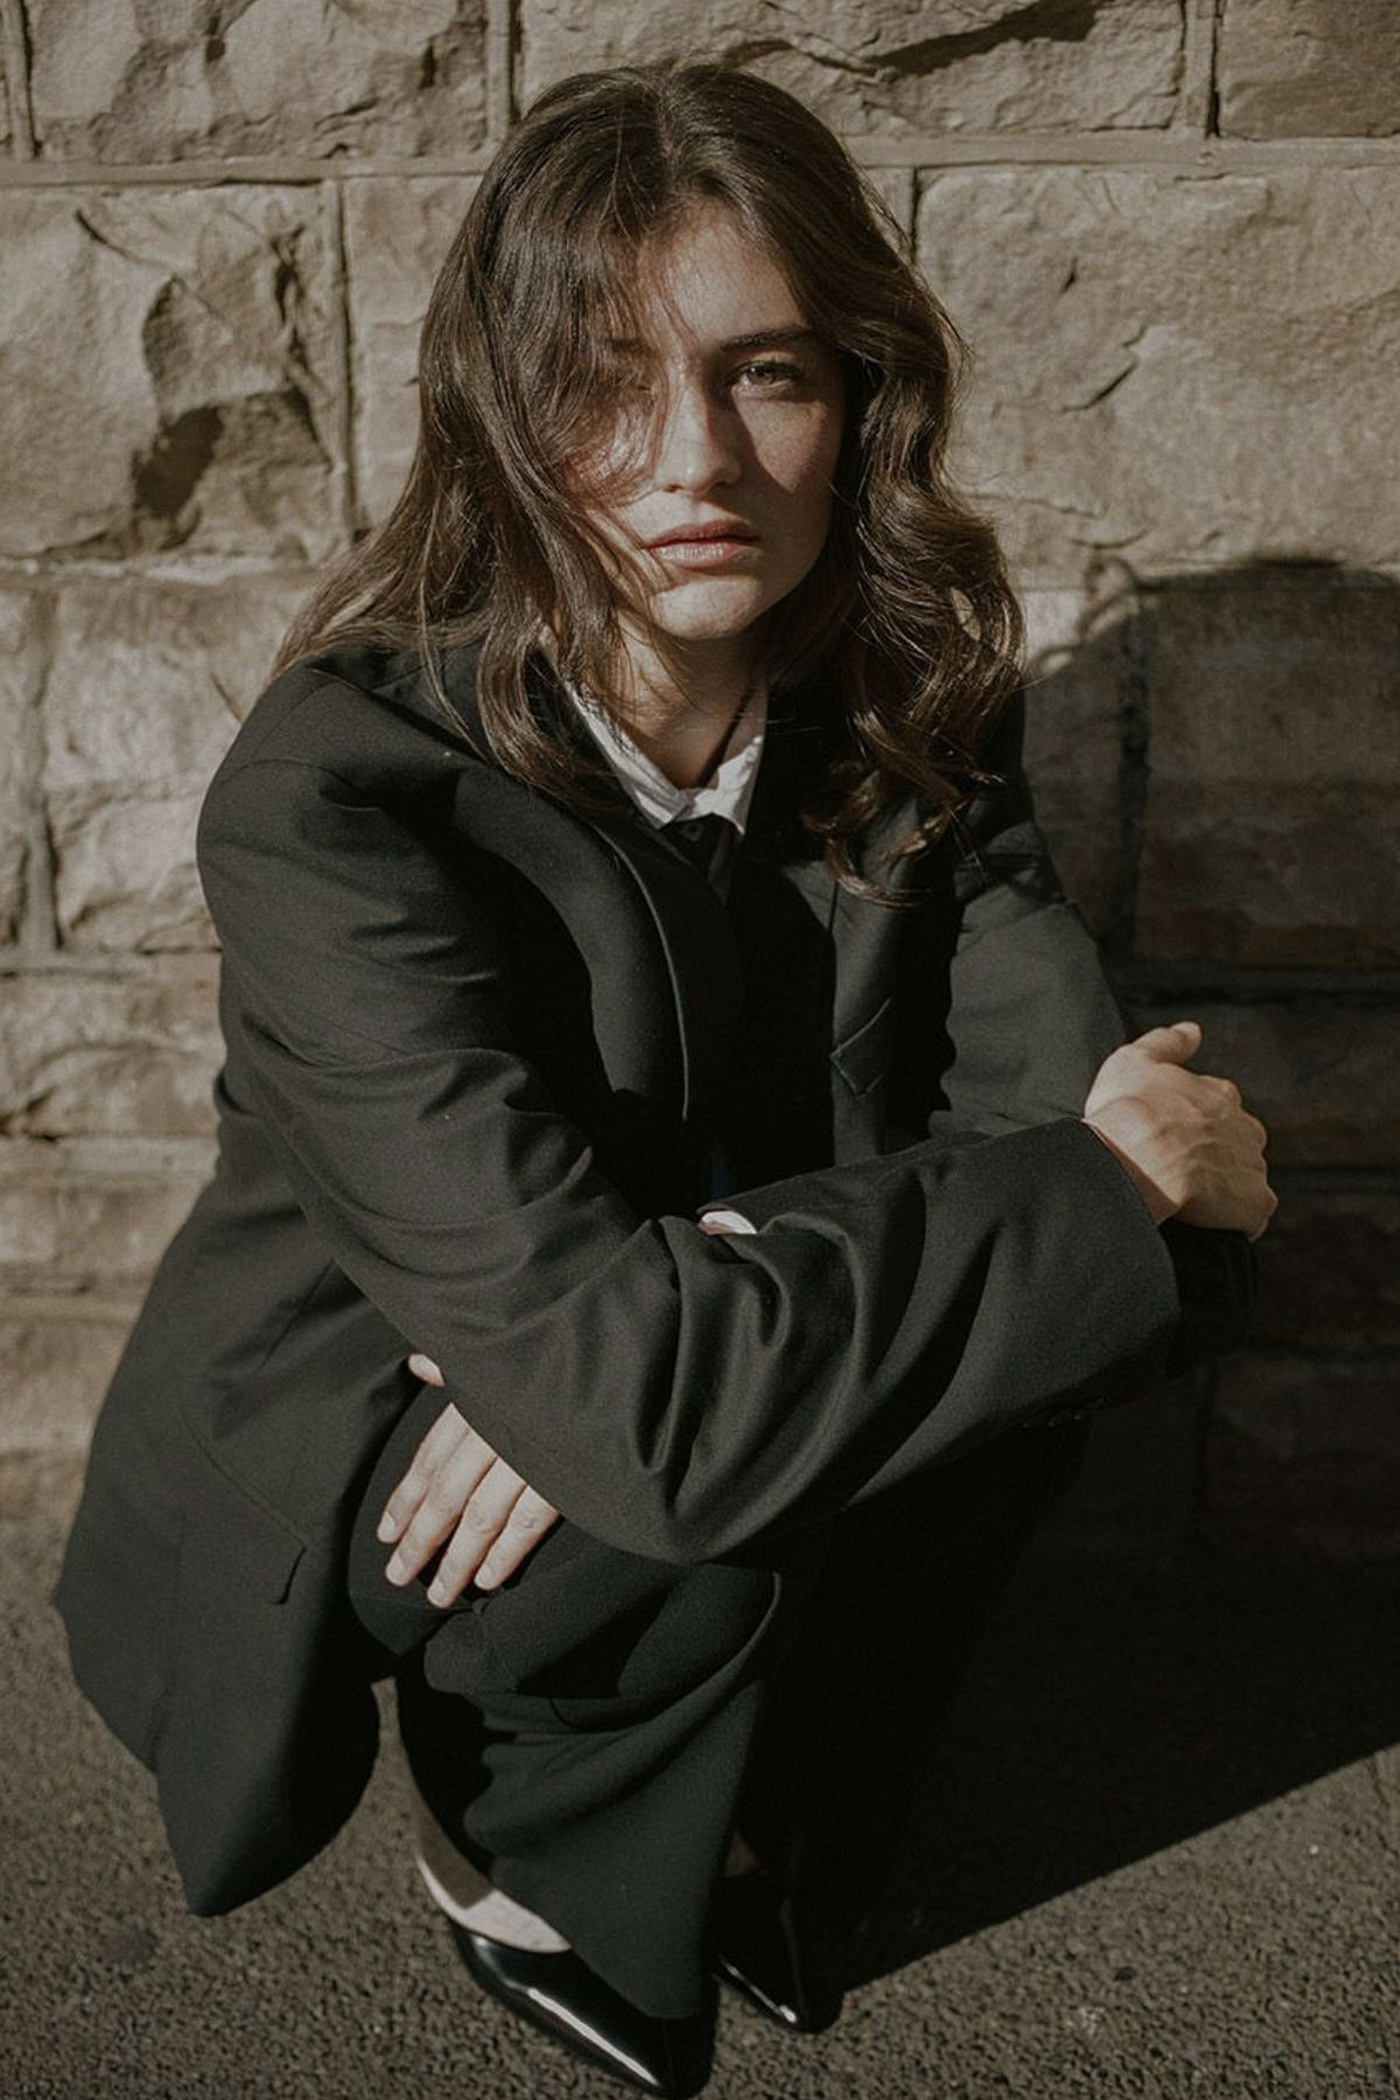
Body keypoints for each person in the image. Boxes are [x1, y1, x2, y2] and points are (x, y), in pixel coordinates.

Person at [54, 62, 1274, 2100]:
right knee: (686, 1473)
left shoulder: (915, 727)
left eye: (766, 372)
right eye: (603, 381)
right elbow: (995, 1219)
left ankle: (759, 1785)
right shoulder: (339, 800)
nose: (694, 456)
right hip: (389, 1439)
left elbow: (1174, 1227)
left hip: (606, 1353)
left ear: (857, 401)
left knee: (1047, 1320)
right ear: (501, 418)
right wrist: (640, 1357)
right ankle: (520, 1848)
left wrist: (677, 1301)